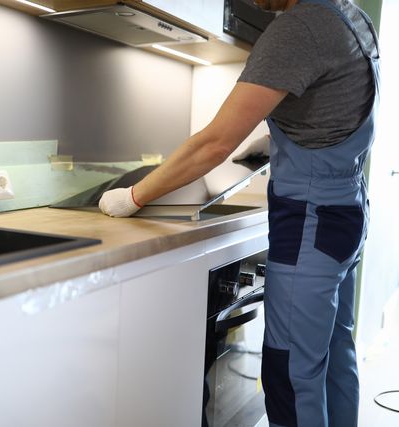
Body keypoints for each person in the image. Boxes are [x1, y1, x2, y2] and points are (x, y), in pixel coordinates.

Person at [98, 0, 380, 425]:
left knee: (291, 373)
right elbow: (334, 111)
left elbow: (215, 143)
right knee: (332, 358)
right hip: (346, 212)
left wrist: (132, 197)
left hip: (311, 224)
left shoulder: (298, 29)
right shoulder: (350, 15)